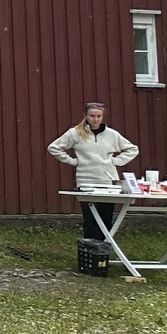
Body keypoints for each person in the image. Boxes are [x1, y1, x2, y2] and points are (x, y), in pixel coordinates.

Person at [49, 101, 140, 245]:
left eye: (99, 116)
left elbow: (132, 149)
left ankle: (104, 251)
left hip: (108, 183)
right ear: (85, 115)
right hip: (86, 183)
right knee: (90, 219)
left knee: (106, 219)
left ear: (103, 117)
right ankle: (90, 250)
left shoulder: (112, 135)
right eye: (92, 116)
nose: (95, 119)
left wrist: (116, 162)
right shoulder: (75, 133)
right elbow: (54, 147)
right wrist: (72, 161)